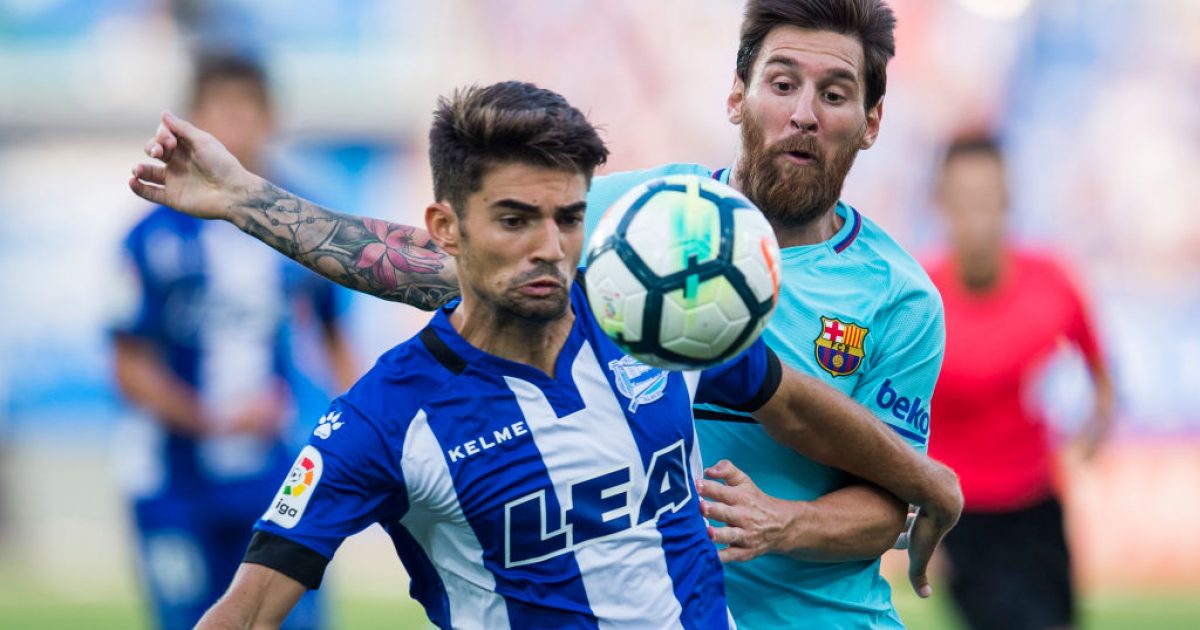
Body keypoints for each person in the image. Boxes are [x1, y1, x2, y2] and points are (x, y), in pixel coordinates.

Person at [133, 2, 949, 626]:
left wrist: (861, 503)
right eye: (783, 83)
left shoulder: (892, 298)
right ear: (738, 94)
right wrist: (246, 199)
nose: (804, 113)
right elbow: (436, 265)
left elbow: (869, 482)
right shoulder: (649, 243)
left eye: (835, 94)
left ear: (871, 120)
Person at [110, 55, 354, 630]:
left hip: (275, 474)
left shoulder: (301, 225)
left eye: (248, 110)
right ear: (193, 122)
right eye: (221, 111)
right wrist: (212, 419)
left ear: (271, 119)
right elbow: (127, 364)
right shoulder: (152, 235)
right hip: (172, 480)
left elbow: (334, 339)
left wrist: (369, 440)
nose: (236, 125)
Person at [924, 135, 1115, 630]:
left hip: (1037, 507)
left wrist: (1092, 433)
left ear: (1007, 200)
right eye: (963, 198)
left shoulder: (1051, 281)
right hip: (961, 515)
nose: (977, 215)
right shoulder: (920, 299)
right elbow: (888, 413)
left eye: (987, 197)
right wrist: (916, 514)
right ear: (941, 203)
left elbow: (1101, 373)